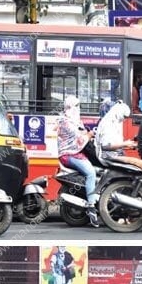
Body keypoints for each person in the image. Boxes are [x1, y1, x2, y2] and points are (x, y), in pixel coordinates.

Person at [58, 95, 100, 225]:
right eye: (76, 106)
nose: (77, 109)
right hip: (69, 154)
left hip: (76, 153)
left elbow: (82, 132)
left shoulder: (75, 120)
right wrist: (89, 135)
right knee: (91, 173)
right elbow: (79, 139)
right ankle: (91, 206)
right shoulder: (66, 122)